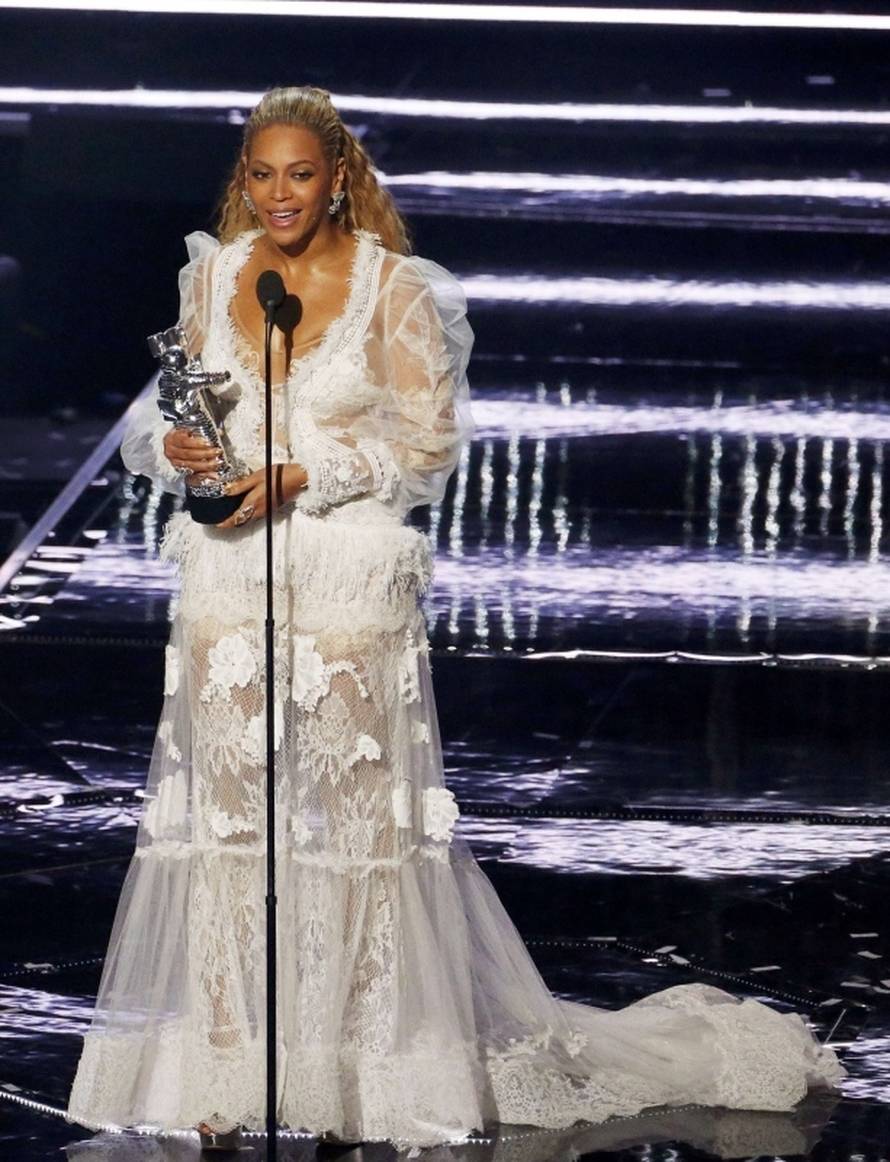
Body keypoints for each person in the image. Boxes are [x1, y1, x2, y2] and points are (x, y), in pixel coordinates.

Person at [65, 85, 847, 1152]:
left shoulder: (396, 289)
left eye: (300, 174)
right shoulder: (213, 274)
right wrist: (180, 453)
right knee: (224, 831)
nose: (280, 194)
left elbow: (424, 453)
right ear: (242, 179)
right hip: (225, 580)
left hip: (345, 582)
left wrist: (306, 469)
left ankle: (359, 1069)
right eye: (262, 174)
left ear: (338, 177)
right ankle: (223, 1064)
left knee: (358, 835)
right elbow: (161, 429)